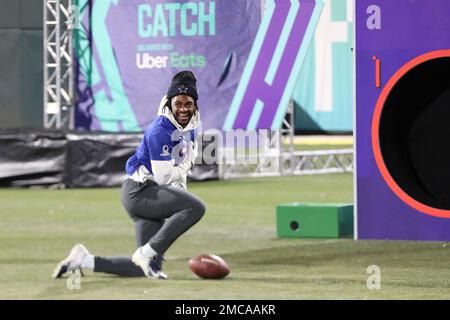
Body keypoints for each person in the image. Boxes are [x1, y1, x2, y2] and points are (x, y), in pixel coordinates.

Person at [52, 71, 206, 280]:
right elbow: (164, 177)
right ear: (169, 103)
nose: (183, 109)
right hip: (140, 192)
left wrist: (182, 178)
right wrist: (182, 180)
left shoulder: (194, 123)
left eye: (188, 103)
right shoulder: (160, 130)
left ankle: (81, 259)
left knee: (146, 267)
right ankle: (145, 253)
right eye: (178, 103)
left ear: (195, 104)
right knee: (195, 207)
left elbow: (190, 155)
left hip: (151, 192)